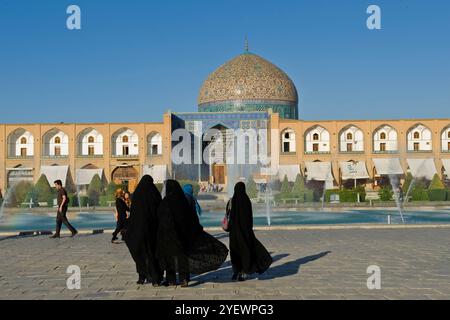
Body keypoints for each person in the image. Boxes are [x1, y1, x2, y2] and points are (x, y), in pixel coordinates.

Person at [156, 180, 228, 287]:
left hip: (167, 236)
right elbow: (191, 217)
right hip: (182, 235)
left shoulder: (165, 202)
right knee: (182, 257)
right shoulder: (182, 201)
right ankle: (183, 279)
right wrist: (196, 230)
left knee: (169, 257)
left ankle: (170, 280)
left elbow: (160, 218)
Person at [228, 182, 272, 281]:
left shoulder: (232, 201)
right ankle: (244, 271)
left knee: (235, 252)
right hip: (245, 232)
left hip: (234, 233)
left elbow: (228, 214)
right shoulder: (246, 200)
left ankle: (236, 271)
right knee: (246, 251)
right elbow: (249, 217)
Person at [124, 175, 163, 286]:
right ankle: (156, 278)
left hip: (139, 229)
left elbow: (133, 213)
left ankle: (142, 277)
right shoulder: (154, 193)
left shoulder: (137, 194)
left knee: (141, 253)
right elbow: (159, 210)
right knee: (152, 253)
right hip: (152, 229)